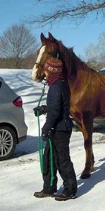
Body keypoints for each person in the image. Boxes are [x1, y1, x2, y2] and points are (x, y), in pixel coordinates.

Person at [33, 57, 77, 201]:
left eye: (45, 70)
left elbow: (55, 112)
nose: (44, 73)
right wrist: (44, 108)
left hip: (60, 129)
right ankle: (49, 188)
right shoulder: (59, 84)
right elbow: (57, 107)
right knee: (49, 158)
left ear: (50, 71)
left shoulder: (56, 87)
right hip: (57, 127)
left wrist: (46, 128)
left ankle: (70, 190)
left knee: (62, 160)